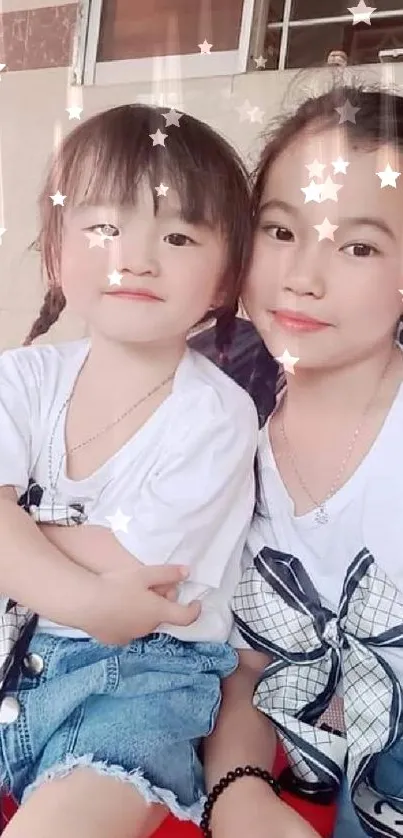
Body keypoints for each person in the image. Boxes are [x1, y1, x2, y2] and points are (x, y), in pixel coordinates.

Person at [0, 103, 259, 838]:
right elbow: (104, 578)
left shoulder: (216, 415)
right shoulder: (20, 379)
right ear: (55, 251)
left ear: (223, 278)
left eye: (177, 235)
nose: (136, 257)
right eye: (105, 227)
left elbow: (142, 565)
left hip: (140, 679)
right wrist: (90, 601)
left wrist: (17, 533)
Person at [201, 84, 403, 838]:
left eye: (358, 246)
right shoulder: (209, 414)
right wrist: (241, 795)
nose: (303, 277)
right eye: (281, 230)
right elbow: (244, 668)